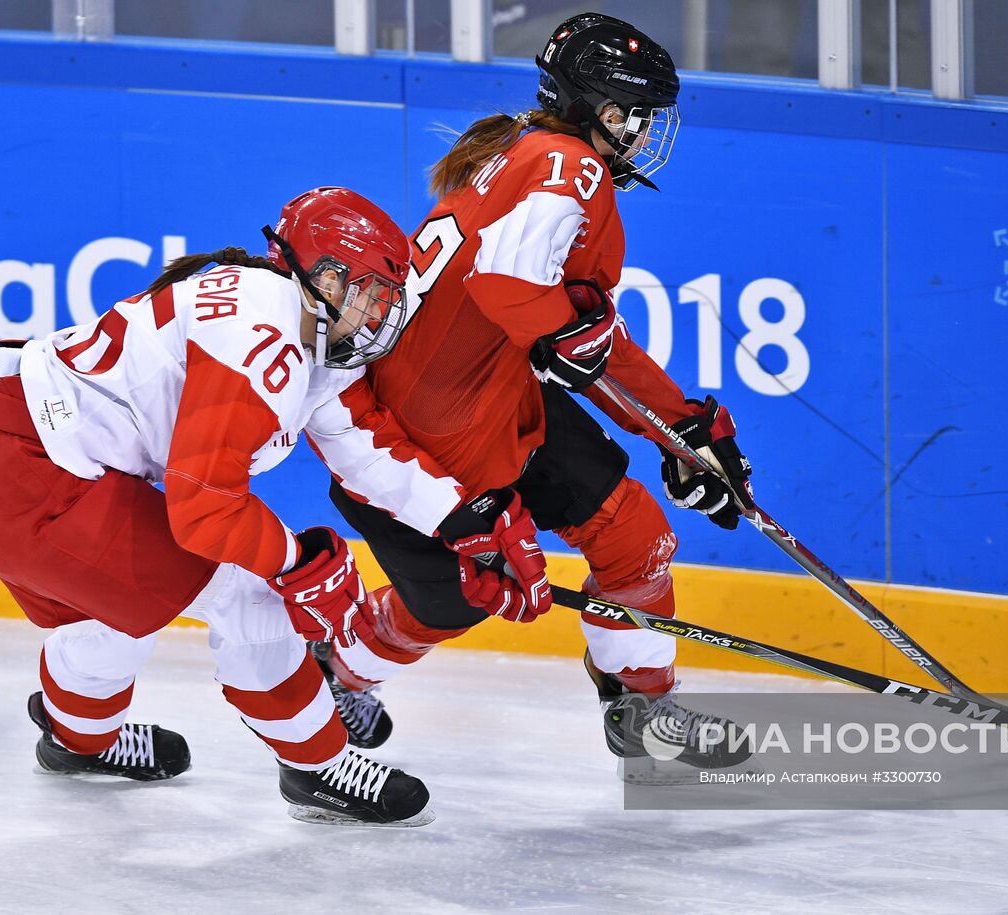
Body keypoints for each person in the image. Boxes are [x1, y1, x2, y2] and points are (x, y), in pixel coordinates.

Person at [0, 187, 546, 824]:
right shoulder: (265, 333)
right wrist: (299, 564)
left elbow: (364, 448)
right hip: (37, 483)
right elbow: (203, 508)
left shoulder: (302, 326)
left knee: (105, 611)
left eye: (381, 299)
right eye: (366, 293)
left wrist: (468, 519)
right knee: (248, 595)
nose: (374, 314)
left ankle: (77, 741)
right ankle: (319, 767)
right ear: (324, 276)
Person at [320, 12, 755, 782]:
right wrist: (565, 337)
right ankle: (344, 664)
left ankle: (642, 709)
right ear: (605, 111)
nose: (646, 133)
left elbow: (573, 339)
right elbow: (511, 288)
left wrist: (680, 428)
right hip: (431, 443)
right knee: (448, 605)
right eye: (639, 116)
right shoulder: (568, 166)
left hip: (489, 394)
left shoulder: (528, 149)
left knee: (632, 532)